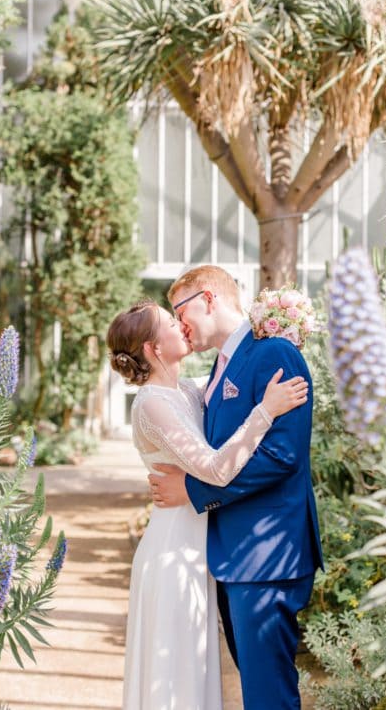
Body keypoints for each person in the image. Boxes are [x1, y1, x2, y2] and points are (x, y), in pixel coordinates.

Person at [107, 300, 308, 710]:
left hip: (202, 549)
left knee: (196, 671)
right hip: (173, 551)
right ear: (153, 348)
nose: (181, 324)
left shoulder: (186, 390)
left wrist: (273, 325)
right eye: (169, 321)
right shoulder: (151, 404)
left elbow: (233, 369)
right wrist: (266, 410)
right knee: (175, 675)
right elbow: (216, 470)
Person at [148, 265, 323, 710]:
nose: (179, 322)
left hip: (267, 557)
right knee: (257, 690)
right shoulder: (218, 369)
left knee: (268, 696)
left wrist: (193, 492)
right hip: (234, 559)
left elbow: (282, 457)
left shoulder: (274, 354)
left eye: (180, 310)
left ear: (209, 299)